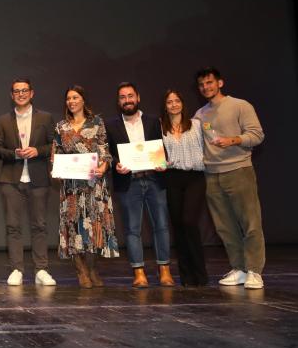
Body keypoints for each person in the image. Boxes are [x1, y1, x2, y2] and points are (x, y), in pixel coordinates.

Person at [193, 67, 266, 289]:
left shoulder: (240, 105)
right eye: (202, 85)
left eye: (210, 83)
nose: (206, 87)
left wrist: (233, 140)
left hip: (238, 170)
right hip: (212, 175)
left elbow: (257, 135)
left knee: (250, 222)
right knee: (224, 226)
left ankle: (254, 270)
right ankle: (239, 268)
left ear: (220, 83)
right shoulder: (200, 114)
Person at [105, 82, 173, 288]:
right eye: (123, 97)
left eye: (130, 96)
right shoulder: (110, 125)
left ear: (138, 97)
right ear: (119, 102)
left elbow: (162, 149)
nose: (127, 100)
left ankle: (165, 270)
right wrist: (116, 164)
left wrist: (163, 162)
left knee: (161, 226)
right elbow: (108, 154)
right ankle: (139, 272)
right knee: (132, 229)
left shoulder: (154, 121)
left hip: (154, 179)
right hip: (129, 182)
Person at [52, 86, 119, 289]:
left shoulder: (96, 123)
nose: (71, 101)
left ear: (83, 100)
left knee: (94, 228)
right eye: (68, 98)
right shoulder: (61, 127)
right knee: (73, 228)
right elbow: (56, 154)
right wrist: (56, 169)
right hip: (72, 187)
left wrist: (104, 166)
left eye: (75, 97)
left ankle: (92, 268)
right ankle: (80, 270)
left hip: (93, 185)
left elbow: (105, 151)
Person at [0, 79, 57, 286]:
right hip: (11, 179)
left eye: (24, 91)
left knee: (39, 225)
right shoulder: (3, 120)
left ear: (32, 93)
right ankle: (16, 269)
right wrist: (14, 154)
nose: (21, 94)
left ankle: (41, 270)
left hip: (38, 178)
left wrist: (38, 151)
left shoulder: (45, 118)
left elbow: (54, 145)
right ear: (12, 95)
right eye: (16, 91)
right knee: (13, 226)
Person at [160, 89, 208, 287]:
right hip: (172, 177)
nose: (173, 104)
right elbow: (157, 154)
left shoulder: (197, 125)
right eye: (169, 101)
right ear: (165, 106)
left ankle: (200, 273)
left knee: (189, 222)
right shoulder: (161, 128)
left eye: (177, 100)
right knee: (178, 226)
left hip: (195, 177)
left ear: (182, 103)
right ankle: (186, 276)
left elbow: (210, 145)